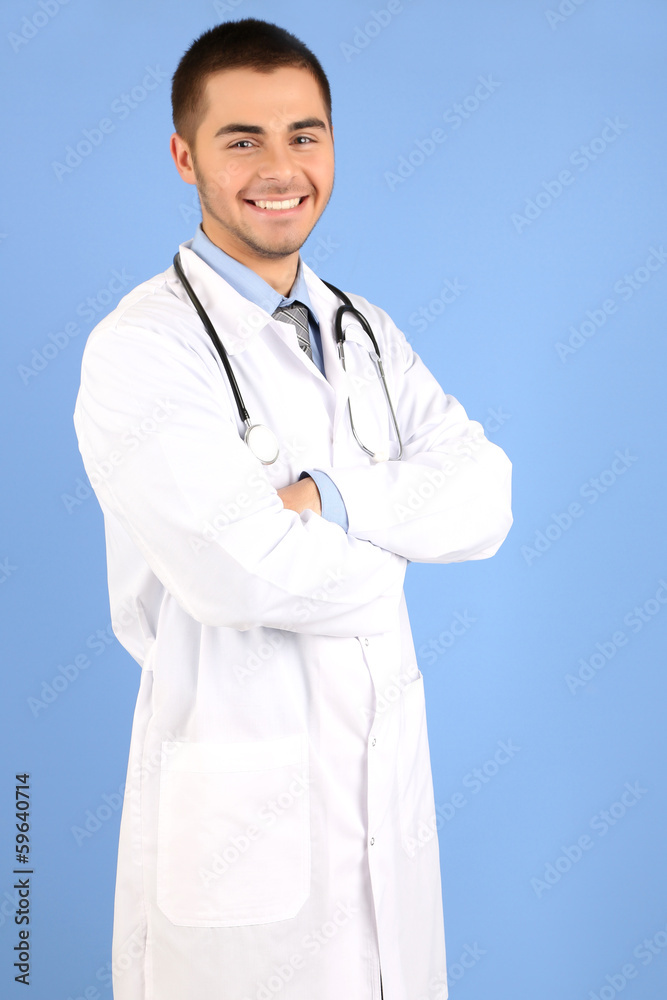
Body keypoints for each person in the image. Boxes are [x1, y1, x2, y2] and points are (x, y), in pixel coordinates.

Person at [73, 17, 512, 1000]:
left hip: (383, 828)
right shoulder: (142, 349)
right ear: (184, 155)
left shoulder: (366, 332)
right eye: (242, 139)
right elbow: (240, 571)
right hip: (238, 843)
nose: (281, 166)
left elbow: (485, 494)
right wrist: (399, 534)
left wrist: (333, 500)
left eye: (304, 134)